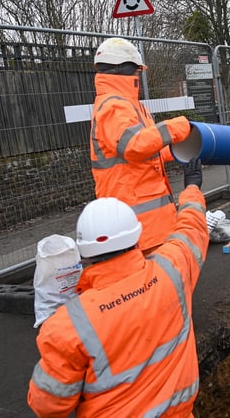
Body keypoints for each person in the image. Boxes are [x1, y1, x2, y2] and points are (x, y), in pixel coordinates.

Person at [27, 158, 208, 417]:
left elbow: (48, 406)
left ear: (85, 253)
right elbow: (192, 228)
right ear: (137, 238)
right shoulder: (172, 270)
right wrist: (192, 186)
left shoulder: (67, 326)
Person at [90, 37, 194, 253]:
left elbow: (146, 149)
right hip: (135, 225)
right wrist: (176, 127)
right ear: (124, 70)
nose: (139, 75)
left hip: (148, 223)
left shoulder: (128, 105)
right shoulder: (115, 106)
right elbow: (133, 146)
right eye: (137, 70)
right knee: (155, 282)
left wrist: (176, 152)